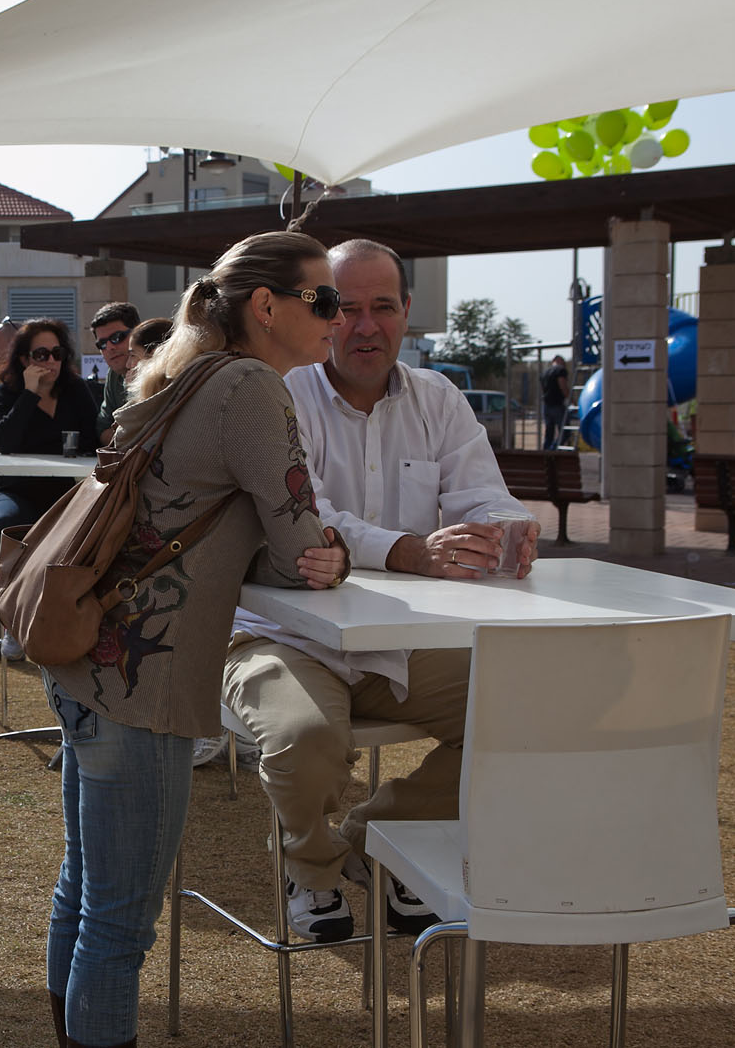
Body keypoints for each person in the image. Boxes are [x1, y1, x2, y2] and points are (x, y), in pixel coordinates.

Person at [41, 232, 351, 1048]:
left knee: (85, 891)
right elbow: (301, 546)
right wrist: (333, 552)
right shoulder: (251, 386)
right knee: (119, 923)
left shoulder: (191, 373)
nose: (339, 317)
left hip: (87, 655)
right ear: (267, 306)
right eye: (324, 299)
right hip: (143, 682)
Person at [224, 238, 542, 945]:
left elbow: (483, 496)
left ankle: (381, 839)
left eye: (384, 307)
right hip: (284, 636)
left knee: (524, 709)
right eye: (346, 308)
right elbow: (306, 521)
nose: (364, 326)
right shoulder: (277, 393)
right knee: (307, 739)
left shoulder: (437, 397)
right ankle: (310, 868)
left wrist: (508, 530)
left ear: (408, 312)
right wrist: (410, 550)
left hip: (397, 637)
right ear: (321, 312)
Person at [0, 319, 101, 659]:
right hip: (10, 490)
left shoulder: (75, 391)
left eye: (57, 353)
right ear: (24, 359)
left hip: (62, 494)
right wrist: (30, 394)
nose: (51, 361)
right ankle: (11, 620)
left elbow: (94, 438)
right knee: (6, 524)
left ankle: (67, 624)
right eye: (41, 354)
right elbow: (4, 441)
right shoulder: (8, 392)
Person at [89, 302, 140, 445]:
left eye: (117, 337)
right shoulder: (114, 374)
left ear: (138, 333)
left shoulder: (161, 370)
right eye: (102, 344)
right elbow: (102, 430)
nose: (110, 347)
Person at [541, 354, 571, 449]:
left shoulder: (545, 372)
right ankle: (553, 449)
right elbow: (563, 386)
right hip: (557, 404)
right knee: (565, 432)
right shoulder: (560, 370)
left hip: (546, 405)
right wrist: (572, 400)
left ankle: (546, 452)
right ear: (560, 361)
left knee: (549, 433)